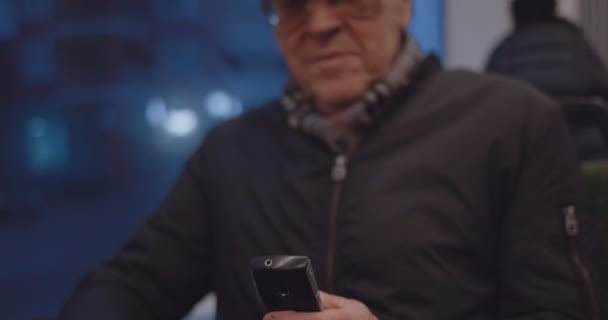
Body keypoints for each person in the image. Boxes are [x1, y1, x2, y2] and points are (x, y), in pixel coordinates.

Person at [60, 0, 605, 319]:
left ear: (404, 6)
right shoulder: (231, 150)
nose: (319, 24)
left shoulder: (512, 124)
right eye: (293, 3)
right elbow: (137, 281)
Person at [486, 0, 608, 100]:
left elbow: (488, 95)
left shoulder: (506, 48)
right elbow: (602, 85)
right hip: (577, 126)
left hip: (526, 126)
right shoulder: (577, 44)